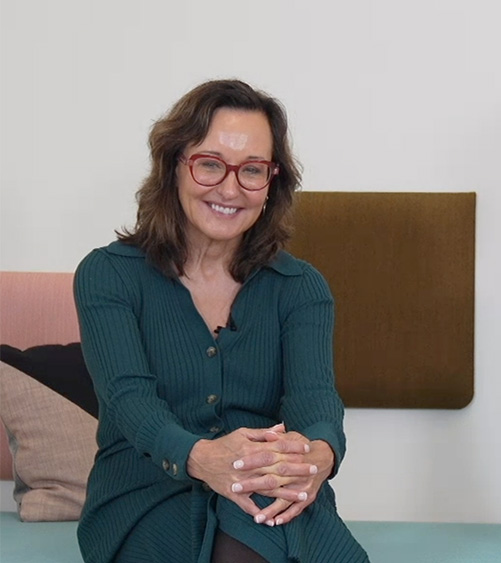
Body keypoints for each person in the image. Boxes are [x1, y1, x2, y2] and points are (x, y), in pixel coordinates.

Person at [74, 79, 369, 563]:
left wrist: (320, 455)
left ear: (272, 181)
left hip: (267, 486)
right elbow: (130, 402)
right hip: (148, 493)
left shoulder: (301, 288)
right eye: (210, 164)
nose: (230, 189)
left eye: (252, 170)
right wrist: (203, 458)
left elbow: (314, 399)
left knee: (262, 521)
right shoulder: (108, 275)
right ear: (175, 167)